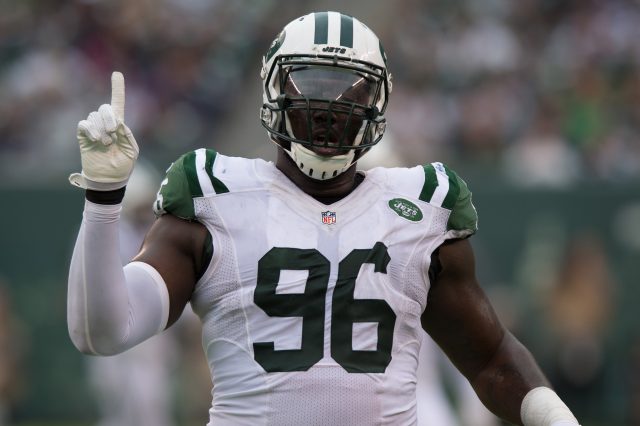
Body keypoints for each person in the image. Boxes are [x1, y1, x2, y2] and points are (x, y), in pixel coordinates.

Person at [67, 11, 580, 426]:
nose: (329, 109)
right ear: (274, 91)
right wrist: (103, 198)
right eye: (310, 85)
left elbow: (491, 361)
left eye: (349, 92)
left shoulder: (422, 207)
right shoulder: (213, 196)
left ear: (379, 101)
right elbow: (104, 332)